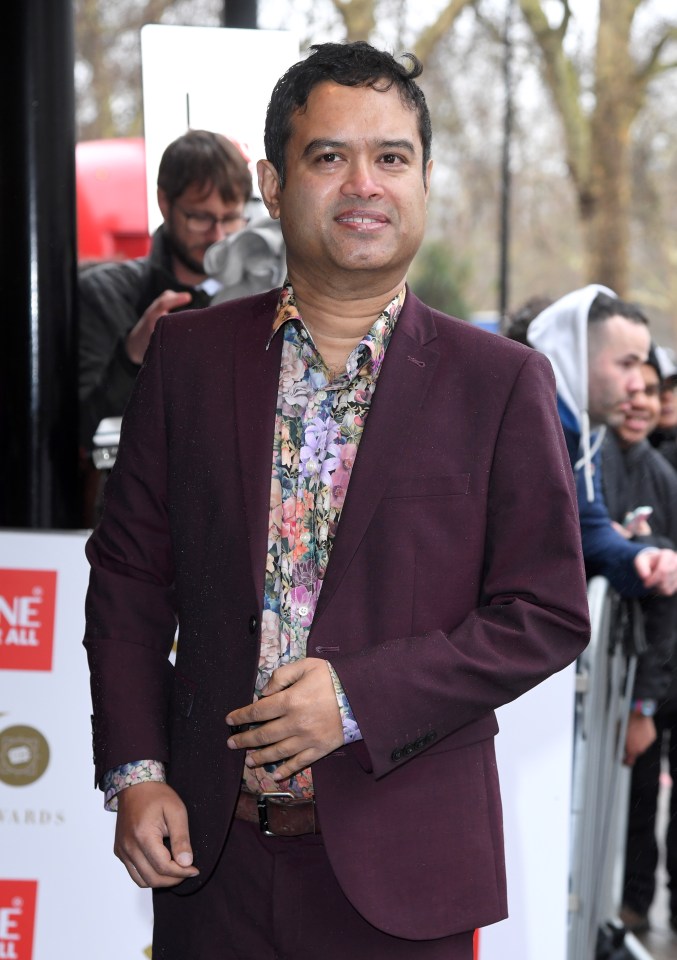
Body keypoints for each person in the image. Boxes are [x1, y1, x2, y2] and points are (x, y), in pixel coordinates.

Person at [84, 42, 590, 960]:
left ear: (425, 180)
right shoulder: (189, 363)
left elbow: (544, 613)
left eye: (391, 157)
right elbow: (125, 581)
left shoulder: (502, 383)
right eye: (329, 157)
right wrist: (137, 771)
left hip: (407, 872)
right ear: (275, 185)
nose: (364, 182)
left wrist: (356, 697)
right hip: (211, 861)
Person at [78, 128, 253, 448]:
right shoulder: (104, 295)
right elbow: (74, 433)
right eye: (200, 218)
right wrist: (132, 356)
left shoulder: (267, 296)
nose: (217, 236)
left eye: (230, 219)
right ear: (163, 202)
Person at [527, 287, 677, 598]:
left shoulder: (585, 433)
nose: (637, 386)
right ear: (577, 357)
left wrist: (639, 557)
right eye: (627, 364)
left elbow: (587, 526)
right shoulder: (527, 428)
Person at [598, 354, 677, 932]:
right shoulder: (592, 459)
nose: (643, 400)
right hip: (619, 675)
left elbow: (667, 601)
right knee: (627, 798)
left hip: (652, 679)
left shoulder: (661, 476)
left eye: (654, 390)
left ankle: (649, 911)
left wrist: (644, 704)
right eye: (635, 387)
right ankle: (624, 912)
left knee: (649, 795)